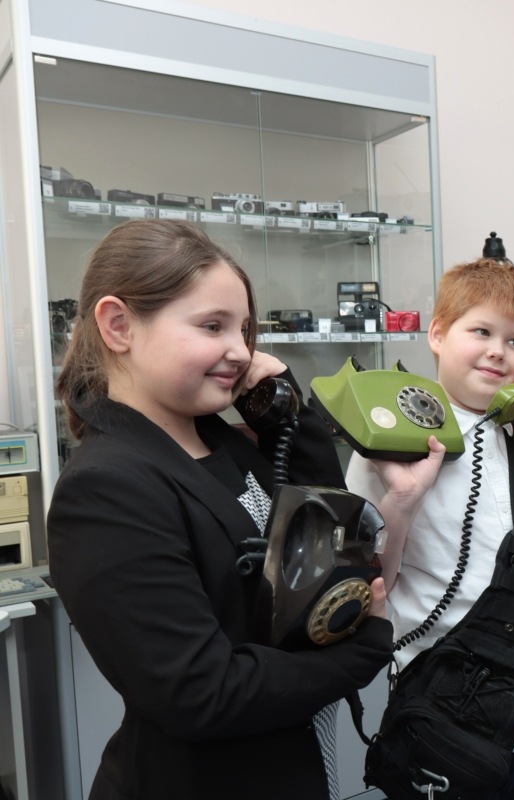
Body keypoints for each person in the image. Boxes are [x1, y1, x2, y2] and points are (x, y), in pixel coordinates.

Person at [47, 219, 394, 800]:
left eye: (244, 329)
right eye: (213, 326)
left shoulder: (226, 444)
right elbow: (200, 694)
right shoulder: (105, 489)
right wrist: (358, 655)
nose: (241, 350)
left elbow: (326, 541)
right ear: (118, 325)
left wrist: (288, 419)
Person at [345, 257, 514, 800]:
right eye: (481, 332)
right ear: (438, 335)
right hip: (445, 711)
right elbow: (372, 584)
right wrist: (403, 501)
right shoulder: (389, 437)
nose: (498, 351)